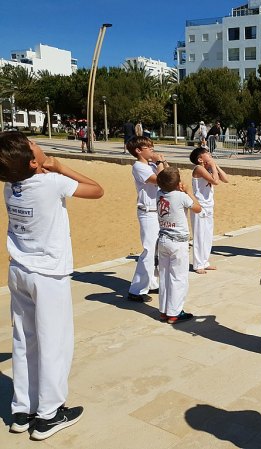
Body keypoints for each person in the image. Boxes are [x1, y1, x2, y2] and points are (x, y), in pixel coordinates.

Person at [0, 131, 103, 440]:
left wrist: (45, 169)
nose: (38, 144)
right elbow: (97, 190)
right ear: (33, 162)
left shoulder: (10, 186)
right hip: (47, 274)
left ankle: (23, 409)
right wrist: (61, 168)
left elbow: (29, 175)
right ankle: (49, 414)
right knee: (54, 343)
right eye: (33, 144)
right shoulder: (52, 182)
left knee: (25, 340)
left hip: (20, 269)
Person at [156, 167, 202, 324]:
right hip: (178, 242)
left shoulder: (159, 194)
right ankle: (174, 312)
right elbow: (198, 208)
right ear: (177, 184)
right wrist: (188, 192)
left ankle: (164, 310)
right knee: (178, 277)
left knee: (164, 276)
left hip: (163, 239)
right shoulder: (181, 197)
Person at [126, 136, 168, 302]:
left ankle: (151, 282)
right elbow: (161, 180)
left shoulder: (152, 165)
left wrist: (162, 162)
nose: (152, 150)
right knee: (149, 250)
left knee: (157, 250)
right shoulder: (139, 166)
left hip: (157, 210)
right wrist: (159, 163)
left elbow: (170, 176)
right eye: (148, 147)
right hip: (147, 211)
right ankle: (136, 289)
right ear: (138, 151)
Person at [190, 146, 228, 274]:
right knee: (199, 235)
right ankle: (198, 264)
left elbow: (225, 179)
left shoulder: (208, 168)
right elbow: (215, 181)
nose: (210, 155)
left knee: (207, 235)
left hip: (209, 205)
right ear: (200, 159)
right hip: (199, 206)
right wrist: (212, 166)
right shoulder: (199, 168)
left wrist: (215, 166)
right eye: (207, 154)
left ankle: (205, 261)